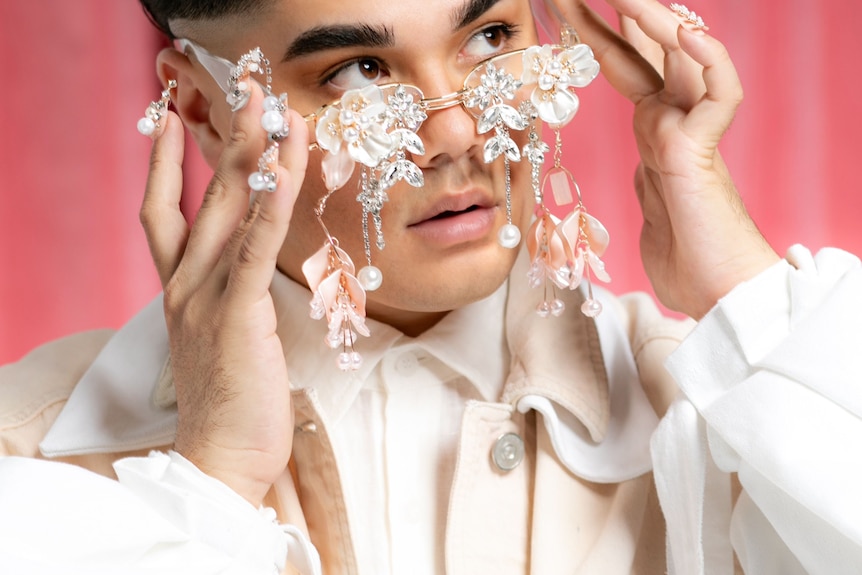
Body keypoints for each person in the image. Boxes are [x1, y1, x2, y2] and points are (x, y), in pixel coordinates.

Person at [0, 0, 859, 573]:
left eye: (488, 38)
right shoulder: (27, 453)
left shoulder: (733, 410)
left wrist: (746, 300)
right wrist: (213, 485)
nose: (457, 135)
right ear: (199, 107)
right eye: (357, 72)